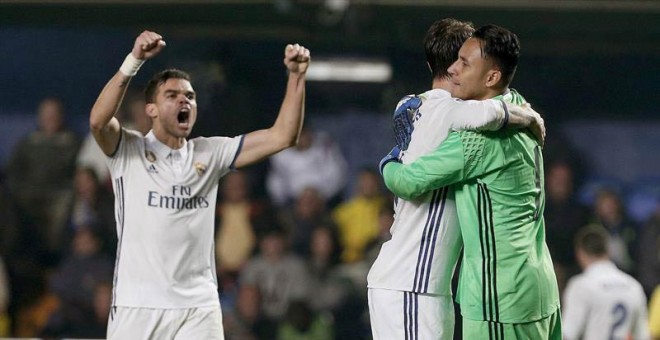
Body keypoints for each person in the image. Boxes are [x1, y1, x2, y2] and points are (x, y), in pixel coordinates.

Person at [88, 30, 310, 339]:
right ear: (150, 108)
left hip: (198, 308)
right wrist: (134, 60)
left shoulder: (210, 152)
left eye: (190, 96)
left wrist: (297, 77)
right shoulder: (128, 149)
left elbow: (282, 136)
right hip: (138, 307)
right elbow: (99, 121)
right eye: (172, 95)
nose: (185, 101)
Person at [367, 19, 546, 340]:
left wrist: (390, 158)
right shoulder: (450, 111)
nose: (463, 67)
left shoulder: (412, 105)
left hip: (421, 284)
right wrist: (529, 115)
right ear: (453, 68)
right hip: (412, 282)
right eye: (462, 61)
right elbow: (493, 112)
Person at [562, 226, 650, 340]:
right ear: (608, 250)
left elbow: (567, 334)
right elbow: (643, 336)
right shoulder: (633, 286)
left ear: (580, 253)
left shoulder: (581, 286)